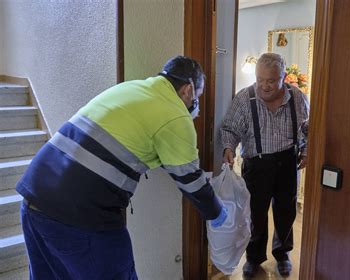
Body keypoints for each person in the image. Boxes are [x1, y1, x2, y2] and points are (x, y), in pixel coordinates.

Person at [16, 56, 227, 280]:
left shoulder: (132, 88)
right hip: (80, 213)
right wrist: (215, 211)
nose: (196, 106)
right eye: (199, 97)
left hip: (35, 195)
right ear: (188, 90)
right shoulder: (175, 114)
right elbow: (190, 179)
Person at [221, 53, 309, 277]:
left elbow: (308, 130)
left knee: (286, 212)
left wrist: (307, 151)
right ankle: (253, 258)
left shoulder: (297, 98)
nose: (265, 85)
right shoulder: (244, 98)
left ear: (283, 77)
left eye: (271, 80)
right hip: (257, 164)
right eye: (260, 79)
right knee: (255, 214)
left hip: (287, 162)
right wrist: (229, 148)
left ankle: (282, 254)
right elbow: (230, 129)